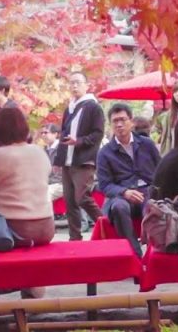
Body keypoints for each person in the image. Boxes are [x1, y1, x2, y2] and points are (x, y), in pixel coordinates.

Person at [0, 107, 54, 299]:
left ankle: (17, 281)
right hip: (47, 227)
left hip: (18, 230)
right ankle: (25, 285)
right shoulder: (39, 152)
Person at [96, 103, 161, 257]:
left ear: (131, 122)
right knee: (119, 207)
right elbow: (105, 185)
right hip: (122, 195)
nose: (119, 124)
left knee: (152, 206)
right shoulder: (105, 153)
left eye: (123, 120)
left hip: (148, 191)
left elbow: (160, 170)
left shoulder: (147, 144)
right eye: (115, 121)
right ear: (110, 125)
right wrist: (124, 192)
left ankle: (155, 255)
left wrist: (157, 190)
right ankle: (134, 255)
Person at [54, 71, 105, 240]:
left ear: (86, 85)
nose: (74, 86)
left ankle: (106, 225)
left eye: (77, 82)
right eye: (71, 83)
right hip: (67, 161)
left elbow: (98, 134)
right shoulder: (70, 108)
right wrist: (58, 159)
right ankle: (74, 237)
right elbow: (63, 134)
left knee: (82, 197)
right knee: (69, 202)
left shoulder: (93, 107)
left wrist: (79, 141)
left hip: (83, 159)